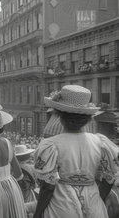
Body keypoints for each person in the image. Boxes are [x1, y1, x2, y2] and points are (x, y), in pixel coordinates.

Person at [33, 85, 119, 218]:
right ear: (87, 119)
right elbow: (109, 178)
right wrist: (97, 200)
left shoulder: (51, 145)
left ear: (60, 117)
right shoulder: (100, 142)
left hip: (60, 206)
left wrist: (37, 213)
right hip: (95, 206)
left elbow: (47, 187)